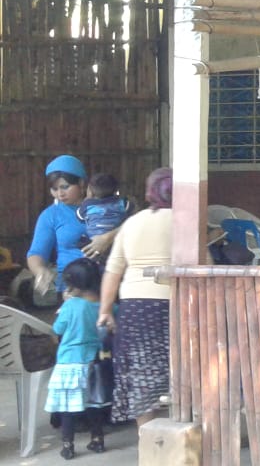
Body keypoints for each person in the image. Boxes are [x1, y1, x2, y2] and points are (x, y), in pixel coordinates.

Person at [98, 167, 173, 428]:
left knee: (142, 373)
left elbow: (113, 271)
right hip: (175, 305)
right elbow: (204, 266)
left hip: (135, 307)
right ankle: (182, 435)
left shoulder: (131, 223)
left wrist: (105, 310)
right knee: (181, 370)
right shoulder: (187, 222)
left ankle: (147, 437)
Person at [28, 155, 119, 295]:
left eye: (65, 187)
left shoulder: (108, 205)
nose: (60, 194)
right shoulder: (51, 215)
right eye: (54, 189)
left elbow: (133, 224)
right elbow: (37, 252)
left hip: (109, 282)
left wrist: (108, 238)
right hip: (71, 288)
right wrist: (40, 270)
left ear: (81, 183)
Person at [46, 258, 107, 459]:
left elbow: (57, 329)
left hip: (68, 363)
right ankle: (97, 440)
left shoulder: (71, 306)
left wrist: (64, 305)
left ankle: (68, 445)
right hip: (94, 361)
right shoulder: (104, 306)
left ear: (75, 286)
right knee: (93, 404)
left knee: (67, 408)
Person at [76, 173, 131, 261]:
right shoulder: (122, 203)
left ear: (90, 191)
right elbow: (131, 212)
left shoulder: (87, 206)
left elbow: (80, 218)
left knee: (81, 240)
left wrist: (85, 202)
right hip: (115, 241)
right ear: (115, 191)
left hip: (93, 241)